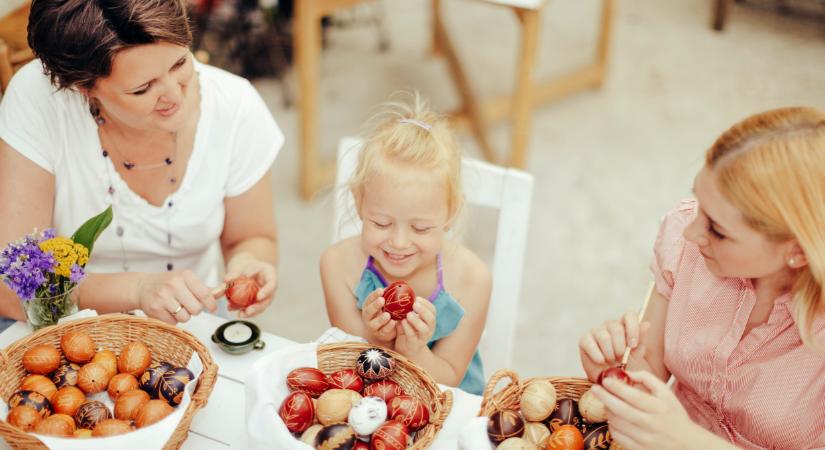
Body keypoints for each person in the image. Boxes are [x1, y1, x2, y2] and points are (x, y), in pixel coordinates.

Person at [0, 0, 281, 330]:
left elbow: (252, 236)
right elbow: (13, 288)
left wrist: (249, 262)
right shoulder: (40, 100)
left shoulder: (234, 105)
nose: (174, 95)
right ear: (83, 87)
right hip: (68, 327)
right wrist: (137, 290)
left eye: (179, 63)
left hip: (190, 324)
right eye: (142, 88)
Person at [579, 107, 825, 449]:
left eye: (719, 231)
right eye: (698, 203)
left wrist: (686, 441)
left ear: (798, 251)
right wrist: (618, 372)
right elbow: (649, 368)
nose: (692, 232)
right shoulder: (686, 239)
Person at [320, 94, 491, 395]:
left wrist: (416, 351)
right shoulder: (337, 266)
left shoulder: (472, 280)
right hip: (371, 399)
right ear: (359, 202)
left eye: (420, 227)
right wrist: (375, 339)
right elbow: (349, 365)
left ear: (451, 213)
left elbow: (450, 378)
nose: (399, 242)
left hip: (445, 403)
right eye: (381, 224)